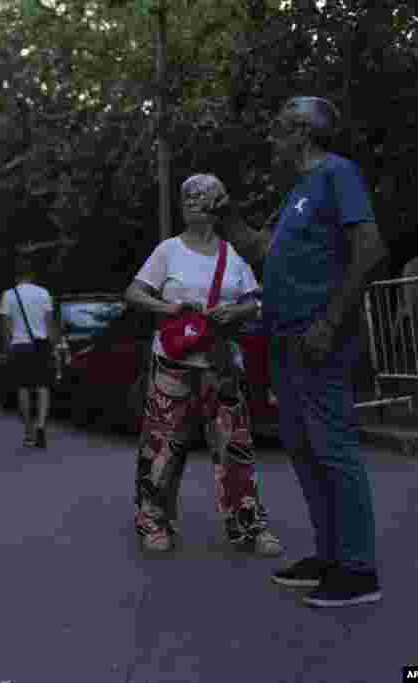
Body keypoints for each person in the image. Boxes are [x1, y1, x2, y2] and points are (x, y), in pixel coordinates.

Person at [211, 96, 388, 607]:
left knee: (332, 448)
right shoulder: (296, 193)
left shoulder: (338, 174)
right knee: (304, 448)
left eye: (277, 128)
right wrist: (230, 219)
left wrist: (330, 322)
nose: (271, 137)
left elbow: (370, 248)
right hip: (284, 340)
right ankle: (330, 555)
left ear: (301, 132)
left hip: (318, 339)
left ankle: (358, 571)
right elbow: (264, 250)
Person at [124, 173, 283, 556]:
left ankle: (248, 526)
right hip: (173, 360)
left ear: (218, 205)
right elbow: (133, 293)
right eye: (188, 197)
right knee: (163, 444)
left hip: (221, 361)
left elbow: (255, 300)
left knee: (234, 445)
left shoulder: (233, 254)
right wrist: (168, 307)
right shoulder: (168, 251)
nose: (195, 203)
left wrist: (236, 312)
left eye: (204, 196)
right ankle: (153, 522)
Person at [0, 259, 58, 449]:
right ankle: (41, 424)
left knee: (23, 388)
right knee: (42, 387)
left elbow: (5, 328)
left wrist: (6, 350)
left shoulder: (8, 296)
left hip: (20, 346)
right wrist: (54, 346)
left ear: (16, 276)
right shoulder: (44, 293)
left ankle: (29, 431)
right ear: (32, 275)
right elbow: (49, 324)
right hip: (41, 345)